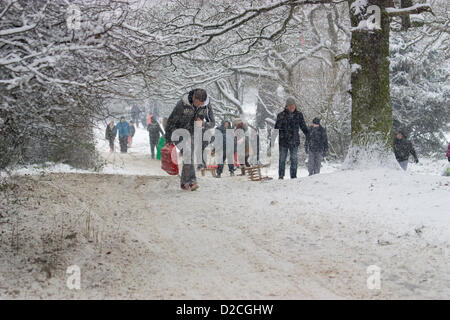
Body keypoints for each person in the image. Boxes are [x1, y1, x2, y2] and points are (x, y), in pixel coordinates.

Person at [165, 89, 215, 191]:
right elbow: (170, 121)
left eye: (202, 104)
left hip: (192, 134)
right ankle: (192, 182)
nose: (199, 106)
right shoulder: (182, 105)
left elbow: (212, 123)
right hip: (178, 132)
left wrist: (203, 123)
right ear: (193, 98)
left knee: (189, 157)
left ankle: (184, 183)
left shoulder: (206, 105)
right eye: (198, 103)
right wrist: (168, 139)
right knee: (188, 154)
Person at [274, 97, 308, 179]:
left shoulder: (299, 115)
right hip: (283, 141)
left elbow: (303, 126)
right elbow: (276, 129)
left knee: (294, 159)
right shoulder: (281, 115)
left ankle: (293, 176)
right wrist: (272, 140)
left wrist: (308, 135)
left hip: (294, 141)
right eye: (290, 106)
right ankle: (281, 176)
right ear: (286, 106)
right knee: (282, 159)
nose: (292, 108)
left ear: (295, 105)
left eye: (293, 106)